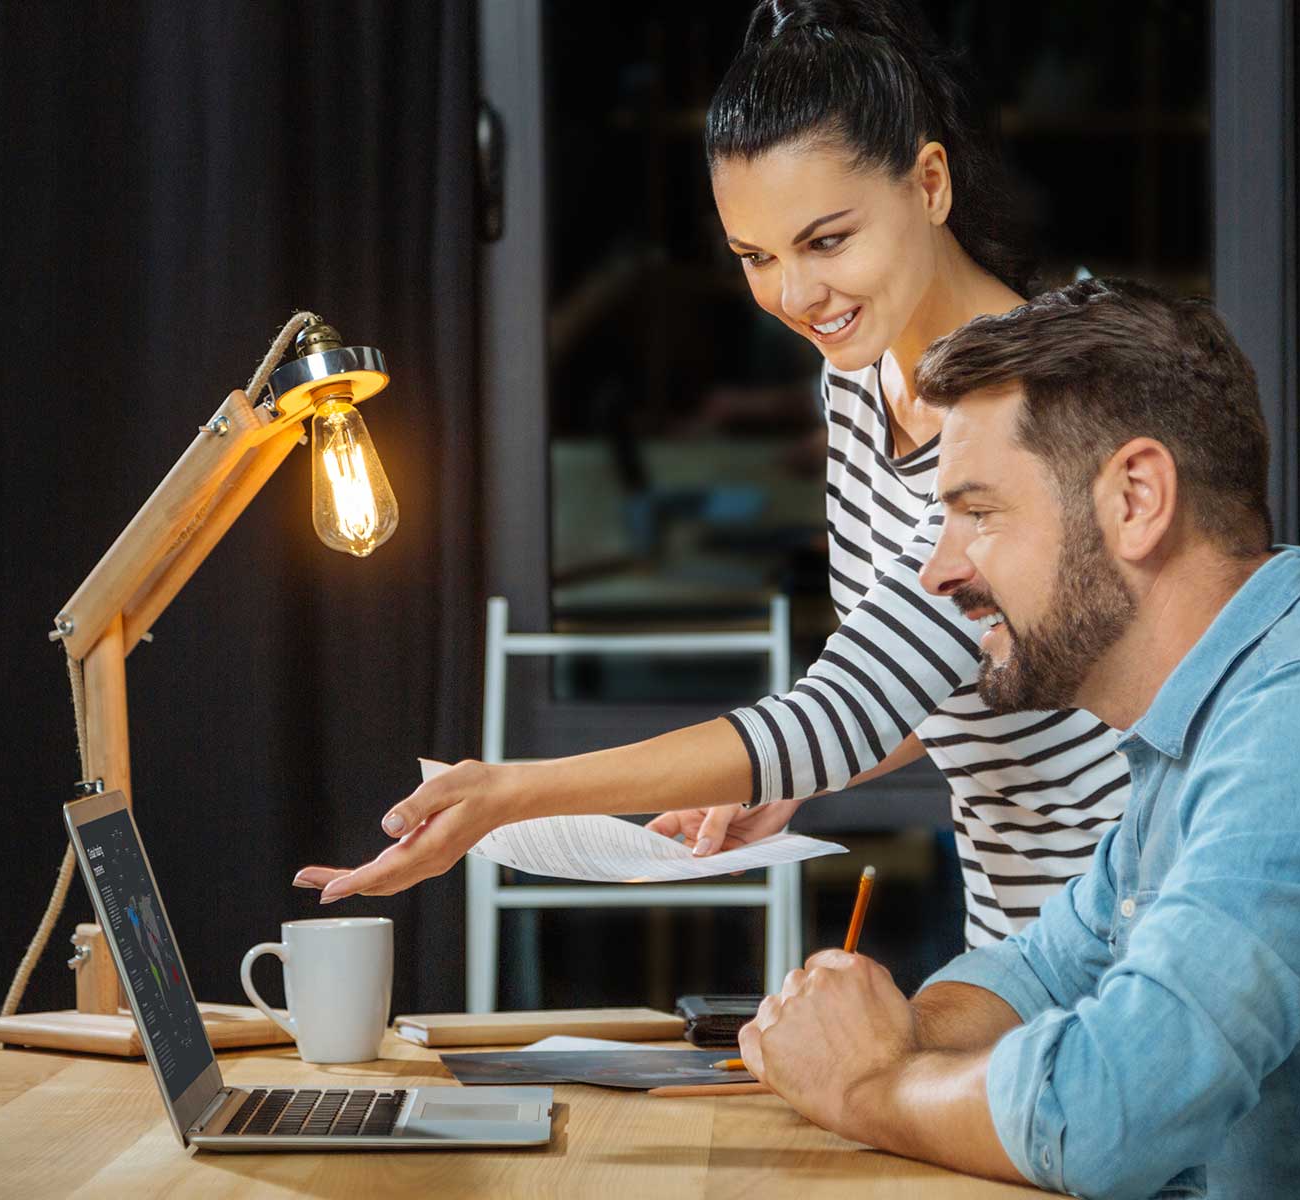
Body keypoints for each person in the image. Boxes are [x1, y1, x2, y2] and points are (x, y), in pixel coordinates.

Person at [737, 278, 1300, 1198]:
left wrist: (868, 1083)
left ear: (1136, 498)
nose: (938, 570)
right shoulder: (1200, 733)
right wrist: (889, 1038)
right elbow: (1038, 970)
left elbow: (1113, 1114)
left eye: (979, 513)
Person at [295, 0, 1133, 945]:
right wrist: (785, 779)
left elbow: (852, 704)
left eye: (827, 241)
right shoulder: (858, 381)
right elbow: (943, 666)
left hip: (1131, 938)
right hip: (1016, 943)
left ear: (930, 183)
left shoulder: (1027, 404)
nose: (797, 294)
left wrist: (510, 793)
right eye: (756, 256)